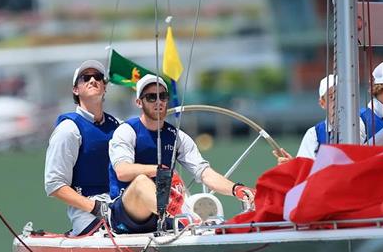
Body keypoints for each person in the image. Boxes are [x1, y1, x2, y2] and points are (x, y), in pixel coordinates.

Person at [108, 75, 255, 234]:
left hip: (162, 216)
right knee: (141, 181)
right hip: (127, 214)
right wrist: (159, 170)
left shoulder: (177, 137)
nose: (158, 101)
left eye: (162, 96)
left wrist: (236, 189)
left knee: (210, 221)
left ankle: (191, 224)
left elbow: (205, 174)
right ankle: (187, 220)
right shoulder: (126, 131)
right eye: (151, 97)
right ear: (139, 102)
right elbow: (122, 171)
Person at [44, 59, 121, 236]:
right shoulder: (68, 130)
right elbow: (54, 184)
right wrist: (95, 207)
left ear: (105, 87)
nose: (92, 80)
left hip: (122, 208)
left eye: (98, 77)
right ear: (75, 89)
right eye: (85, 78)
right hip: (88, 217)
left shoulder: (118, 127)